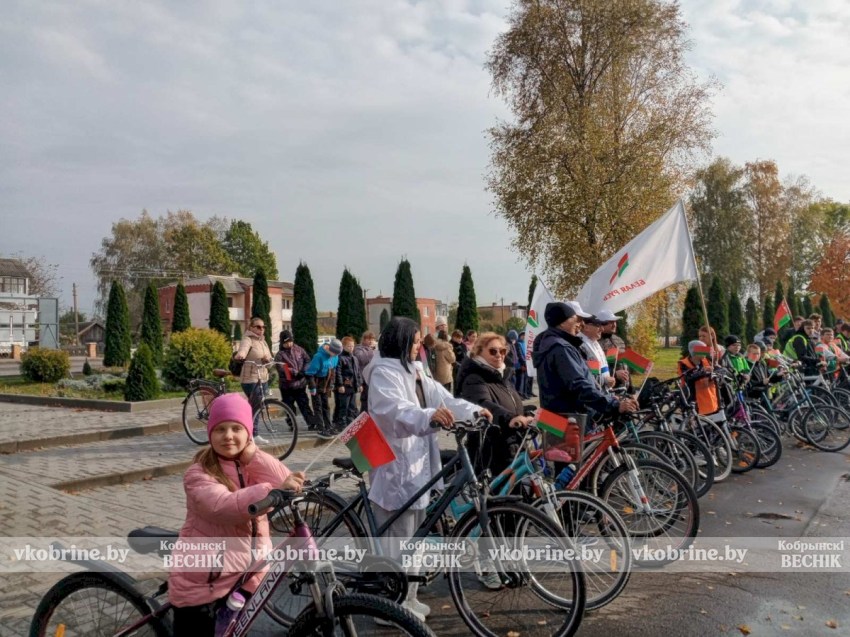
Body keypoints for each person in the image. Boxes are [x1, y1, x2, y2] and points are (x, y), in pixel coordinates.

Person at [364, 317, 493, 617]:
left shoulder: (416, 371)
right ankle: (393, 605)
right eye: (416, 340)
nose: (420, 346)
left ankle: (408, 596)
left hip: (418, 466)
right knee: (401, 535)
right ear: (401, 341)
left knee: (417, 534)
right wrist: (428, 417)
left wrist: (474, 411)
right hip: (395, 465)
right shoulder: (384, 372)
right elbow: (392, 410)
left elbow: (445, 399)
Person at [168, 393, 305, 635]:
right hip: (204, 581)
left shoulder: (250, 465)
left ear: (249, 433)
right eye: (220, 429)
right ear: (210, 434)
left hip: (242, 575)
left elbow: (284, 480)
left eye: (236, 428)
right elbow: (223, 506)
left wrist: (253, 455)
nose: (228, 435)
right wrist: (270, 490)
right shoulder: (198, 473)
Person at [532, 302, 638, 423]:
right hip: (569, 418)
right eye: (577, 319)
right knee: (574, 442)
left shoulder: (557, 344)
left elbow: (584, 379)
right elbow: (579, 384)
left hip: (561, 416)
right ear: (562, 322)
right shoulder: (561, 348)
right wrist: (612, 404)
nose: (581, 324)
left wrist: (606, 397)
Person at [456, 332, 535, 475]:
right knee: (500, 496)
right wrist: (510, 418)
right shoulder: (474, 378)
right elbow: (483, 404)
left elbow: (511, 403)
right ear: (479, 352)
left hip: (511, 447)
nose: (499, 355)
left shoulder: (501, 376)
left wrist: (526, 415)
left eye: (502, 351)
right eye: (493, 351)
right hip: (491, 452)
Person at [233, 316, 273, 444]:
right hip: (250, 379)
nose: (261, 329)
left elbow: (270, 363)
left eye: (263, 327)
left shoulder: (263, 342)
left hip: (263, 379)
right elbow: (243, 350)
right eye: (258, 327)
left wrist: (268, 360)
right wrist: (241, 355)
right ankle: (253, 434)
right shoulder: (248, 339)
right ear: (251, 327)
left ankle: (249, 432)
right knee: (256, 406)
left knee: (258, 407)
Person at [273, 330, 315, 429]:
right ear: (282, 342)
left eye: (290, 341)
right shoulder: (280, 354)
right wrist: (295, 372)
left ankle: (312, 423)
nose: (289, 344)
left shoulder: (299, 350)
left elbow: (307, 360)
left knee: (304, 404)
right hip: (286, 386)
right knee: (289, 406)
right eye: (286, 342)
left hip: (300, 384)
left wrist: (303, 371)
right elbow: (281, 368)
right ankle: (292, 424)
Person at [306, 338, 342, 437]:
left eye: (337, 354)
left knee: (326, 406)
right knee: (318, 407)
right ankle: (321, 428)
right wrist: (312, 387)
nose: (335, 356)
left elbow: (333, 370)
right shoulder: (318, 356)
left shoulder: (336, 356)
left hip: (326, 384)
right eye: (334, 353)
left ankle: (328, 427)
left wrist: (332, 384)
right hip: (317, 383)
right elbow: (309, 373)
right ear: (330, 349)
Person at [678, 340, 722, 417]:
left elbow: (716, 373)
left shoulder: (706, 361)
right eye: (703, 350)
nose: (706, 352)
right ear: (694, 351)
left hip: (710, 400)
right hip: (694, 402)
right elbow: (688, 378)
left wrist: (717, 370)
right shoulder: (683, 364)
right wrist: (703, 372)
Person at [333, 336, 363, 431]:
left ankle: (350, 423)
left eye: (352, 346)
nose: (351, 348)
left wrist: (359, 384)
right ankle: (341, 424)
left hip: (352, 387)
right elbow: (338, 372)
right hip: (345, 387)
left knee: (352, 406)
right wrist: (340, 385)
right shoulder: (340, 358)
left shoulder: (354, 358)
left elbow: (358, 372)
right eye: (349, 346)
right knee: (343, 406)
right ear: (343, 346)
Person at [597, 310, 631, 391]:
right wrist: (615, 374)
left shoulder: (619, 340)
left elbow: (625, 364)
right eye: (610, 322)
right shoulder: (595, 342)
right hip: (606, 388)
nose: (614, 325)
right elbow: (595, 368)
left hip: (623, 388)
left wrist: (630, 389)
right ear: (602, 324)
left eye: (615, 322)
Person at [353, 331, 377, 413]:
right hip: (364, 378)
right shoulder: (358, 348)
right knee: (365, 398)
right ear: (363, 340)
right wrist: (371, 350)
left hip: (374, 377)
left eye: (372, 339)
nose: (370, 341)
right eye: (368, 339)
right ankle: (363, 415)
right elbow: (361, 358)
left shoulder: (376, 348)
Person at [450, 329, 467, 394]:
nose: (460, 339)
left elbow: (465, 355)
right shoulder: (450, 345)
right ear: (453, 337)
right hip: (455, 367)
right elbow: (452, 358)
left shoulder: (463, 345)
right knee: (456, 384)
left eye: (461, 338)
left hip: (463, 366)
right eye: (458, 337)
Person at [516, 331, 530, 398]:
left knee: (525, 380)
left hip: (526, 363)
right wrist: (523, 363)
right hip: (521, 364)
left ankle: (524, 393)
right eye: (523, 335)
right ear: (520, 336)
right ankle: (520, 394)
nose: (524, 337)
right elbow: (520, 355)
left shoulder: (525, 343)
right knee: (520, 380)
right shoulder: (518, 343)